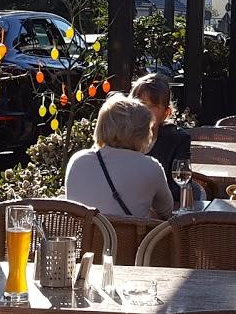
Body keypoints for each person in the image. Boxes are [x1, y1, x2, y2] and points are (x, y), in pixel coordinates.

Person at [64, 93, 174, 218]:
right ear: (142, 132)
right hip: (133, 237)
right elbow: (166, 212)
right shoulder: (151, 167)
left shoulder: (77, 160)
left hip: (85, 236)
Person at [131, 72, 193, 203]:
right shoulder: (119, 136)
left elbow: (180, 189)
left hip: (162, 217)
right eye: (139, 104)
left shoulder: (177, 140)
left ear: (167, 113)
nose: (144, 111)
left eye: (152, 106)